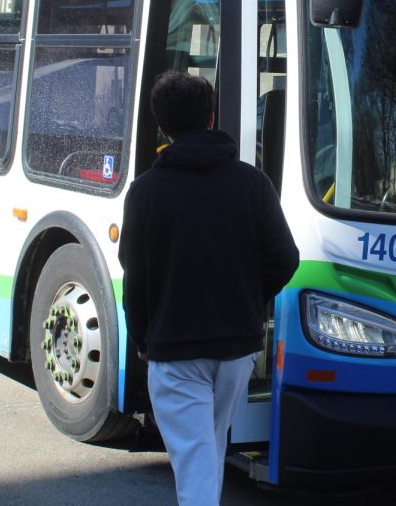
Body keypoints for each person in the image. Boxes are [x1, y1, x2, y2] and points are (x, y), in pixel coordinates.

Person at [119, 72, 298, 506]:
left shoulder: (144, 192)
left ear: (162, 128)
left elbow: (135, 275)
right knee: (209, 448)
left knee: (196, 457)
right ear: (212, 116)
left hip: (176, 349)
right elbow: (284, 259)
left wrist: (142, 338)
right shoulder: (253, 183)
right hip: (236, 349)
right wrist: (247, 302)